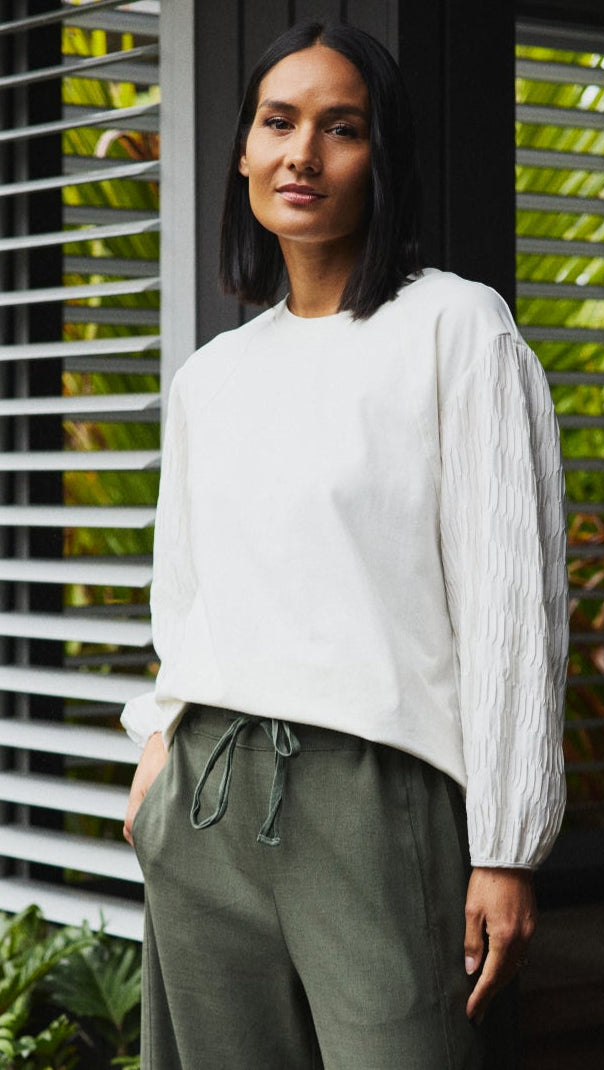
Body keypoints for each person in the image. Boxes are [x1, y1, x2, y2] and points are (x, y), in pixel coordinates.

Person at [121, 19, 568, 1070]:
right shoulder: (213, 378)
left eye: (342, 127)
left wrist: (505, 846)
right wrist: (154, 761)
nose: (302, 155)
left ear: (384, 156)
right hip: (206, 795)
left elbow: (511, 608)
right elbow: (183, 600)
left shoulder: (459, 329)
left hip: (379, 802)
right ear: (242, 151)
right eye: (278, 122)